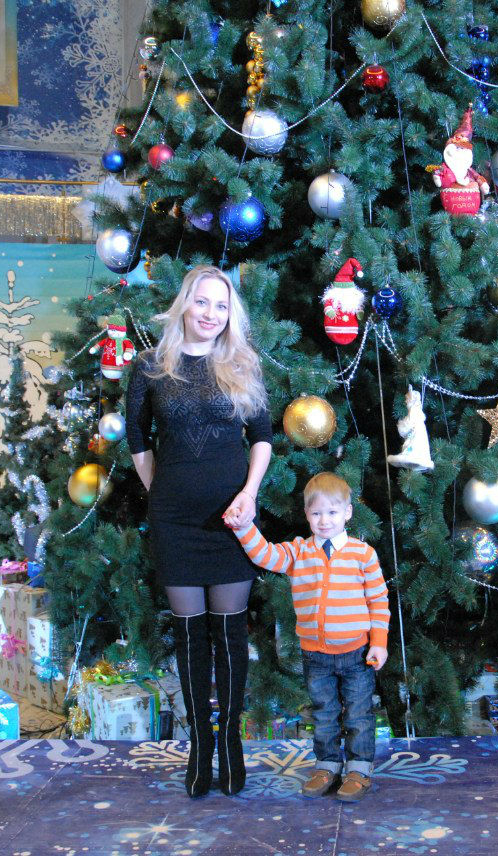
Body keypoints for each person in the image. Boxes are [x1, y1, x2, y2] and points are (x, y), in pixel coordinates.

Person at [125, 265, 272, 798]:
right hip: (176, 522)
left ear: (231, 315)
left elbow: (262, 436)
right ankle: (199, 747)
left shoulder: (242, 362)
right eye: (202, 302)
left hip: (231, 521)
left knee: (229, 634)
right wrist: (159, 491)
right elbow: (137, 437)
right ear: (185, 304)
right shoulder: (150, 366)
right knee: (190, 636)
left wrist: (249, 494)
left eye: (222, 306)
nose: (211, 314)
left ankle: (229, 743)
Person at [226, 472, 389, 802]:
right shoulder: (298, 552)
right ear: (306, 515)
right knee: (324, 713)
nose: (324, 521)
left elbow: (378, 600)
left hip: (357, 654)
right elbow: (265, 555)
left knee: (358, 713)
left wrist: (379, 642)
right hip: (315, 655)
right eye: (316, 513)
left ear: (347, 512)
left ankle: (359, 769)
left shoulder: (363, 554)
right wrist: (243, 528)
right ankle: (327, 765)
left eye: (332, 512)